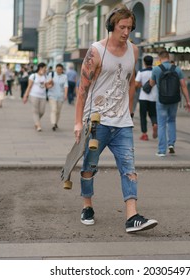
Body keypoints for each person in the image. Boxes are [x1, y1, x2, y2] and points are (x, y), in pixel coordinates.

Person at [74, 4, 158, 233]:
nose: (126, 32)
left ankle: (132, 216)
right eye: (122, 27)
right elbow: (82, 89)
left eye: (130, 28)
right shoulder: (96, 51)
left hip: (122, 122)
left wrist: (129, 112)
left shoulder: (134, 50)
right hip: (97, 120)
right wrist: (78, 122)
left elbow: (131, 83)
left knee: (129, 167)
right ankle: (87, 205)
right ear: (111, 26)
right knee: (89, 166)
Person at [149, 50, 190, 156]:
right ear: (169, 57)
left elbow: (151, 83)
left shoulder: (156, 69)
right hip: (174, 100)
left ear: (159, 58)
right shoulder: (177, 69)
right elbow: (183, 85)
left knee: (162, 124)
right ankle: (171, 144)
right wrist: (188, 101)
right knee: (172, 121)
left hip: (162, 101)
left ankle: (161, 150)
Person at [135, 55, 158, 141]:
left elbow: (136, 84)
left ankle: (144, 134)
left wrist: (141, 85)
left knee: (143, 115)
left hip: (143, 97)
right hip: (154, 97)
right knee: (153, 114)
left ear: (144, 63)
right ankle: (155, 123)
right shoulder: (155, 71)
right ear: (152, 62)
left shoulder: (141, 72)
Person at [23, 62, 50, 132]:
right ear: (40, 68)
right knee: (35, 111)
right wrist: (25, 96)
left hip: (43, 96)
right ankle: (38, 125)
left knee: (42, 111)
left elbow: (46, 86)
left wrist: (51, 84)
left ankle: (36, 121)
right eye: (45, 68)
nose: (45, 70)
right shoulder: (33, 76)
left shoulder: (45, 76)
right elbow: (29, 86)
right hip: (34, 95)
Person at [47, 63, 68, 131]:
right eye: (58, 69)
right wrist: (50, 82)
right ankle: (53, 123)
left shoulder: (64, 76)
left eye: (60, 69)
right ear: (55, 69)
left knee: (58, 111)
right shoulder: (51, 75)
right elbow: (47, 84)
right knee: (54, 110)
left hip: (60, 96)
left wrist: (65, 94)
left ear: (62, 70)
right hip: (52, 95)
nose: (59, 70)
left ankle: (56, 122)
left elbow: (66, 86)